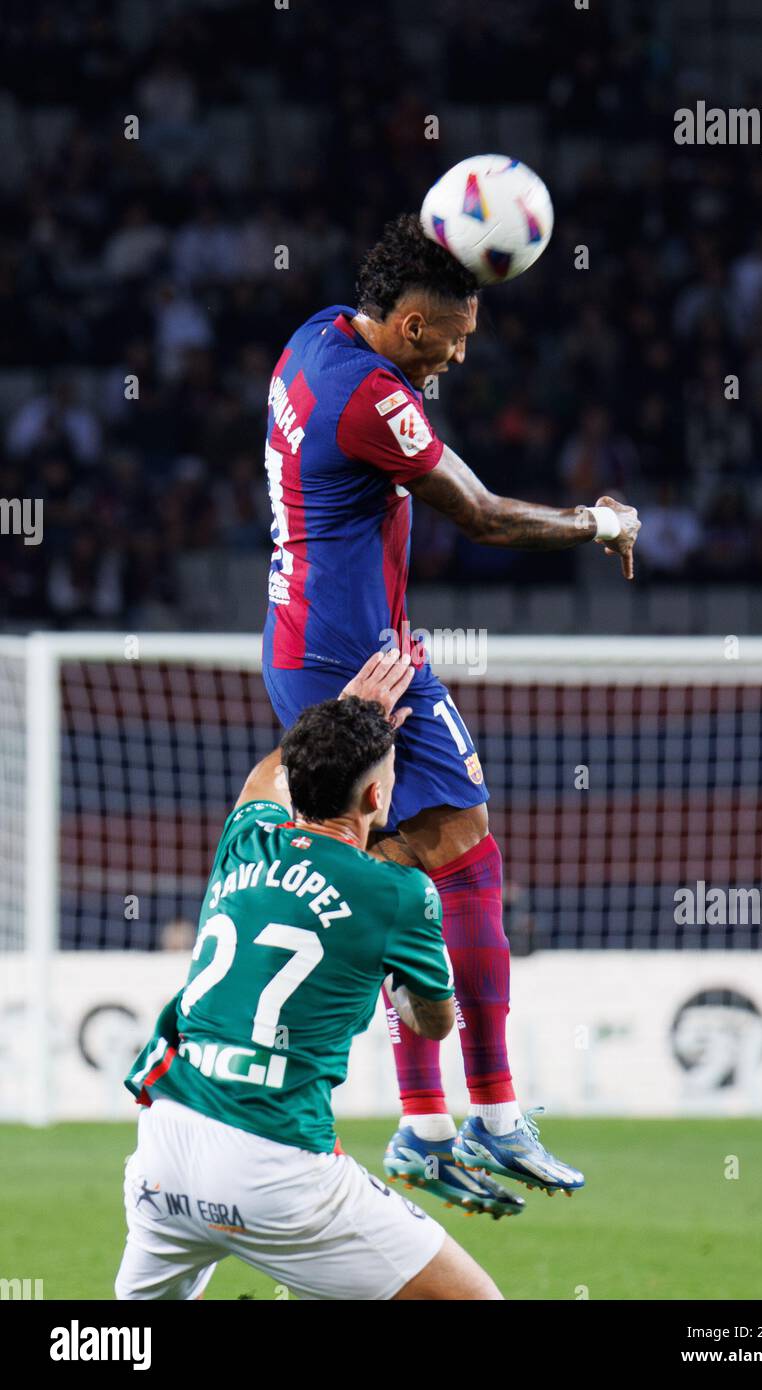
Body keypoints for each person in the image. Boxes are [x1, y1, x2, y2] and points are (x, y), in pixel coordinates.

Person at [259, 212, 640, 1206]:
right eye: (456, 333)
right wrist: (594, 521)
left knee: (407, 870)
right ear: (414, 326)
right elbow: (479, 515)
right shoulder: (371, 399)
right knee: (462, 852)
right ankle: (494, 1115)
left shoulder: (316, 337)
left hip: (311, 642)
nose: (462, 351)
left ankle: (427, 1127)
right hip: (360, 658)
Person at [116, 650, 508, 1301]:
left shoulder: (248, 833)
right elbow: (435, 1021)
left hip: (166, 1143)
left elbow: (267, 776)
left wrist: (338, 716)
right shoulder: (398, 893)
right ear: (378, 796)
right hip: (275, 1164)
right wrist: (399, 978)